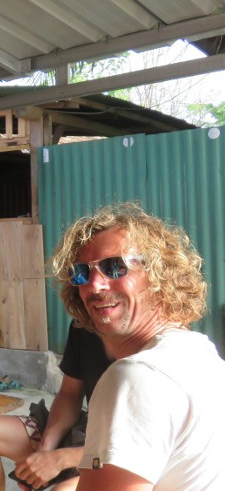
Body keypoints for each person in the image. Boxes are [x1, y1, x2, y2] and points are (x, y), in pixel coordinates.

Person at [51, 202, 225, 490]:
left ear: (159, 275)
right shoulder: (201, 352)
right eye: (81, 272)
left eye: (115, 267)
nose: (95, 286)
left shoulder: (135, 376)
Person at [0, 324, 112, 490]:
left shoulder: (145, 348)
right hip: (86, 433)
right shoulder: (84, 323)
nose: (97, 297)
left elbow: (134, 452)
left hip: (120, 460)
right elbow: (70, 394)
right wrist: (45, 449)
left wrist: (60, 459)